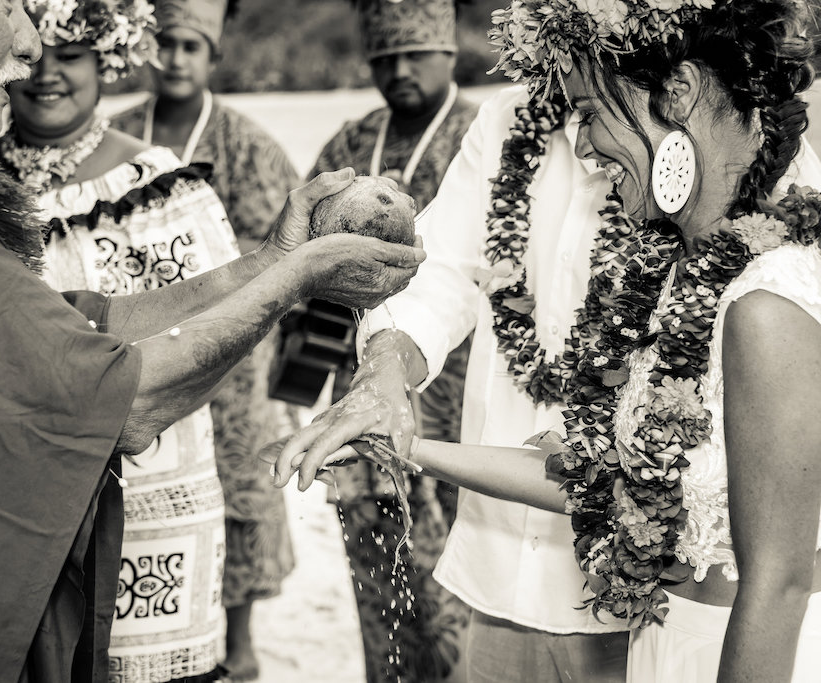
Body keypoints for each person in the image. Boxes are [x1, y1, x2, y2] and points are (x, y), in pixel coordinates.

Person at [0, 0, 425, 679]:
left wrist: (274, 260)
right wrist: (302, 273)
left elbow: (71, 328)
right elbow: (113, 400)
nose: (32, 43)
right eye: (8, 5)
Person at [273, 0, 821, 681]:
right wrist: (387, 410)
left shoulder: (757, 248)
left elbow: (779, 568)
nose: (588, 144)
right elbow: (443, 275)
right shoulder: (514, 125)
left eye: (593, 112)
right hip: (504, 577)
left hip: (658, 615)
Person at [0, 0, 242, 678]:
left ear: (106, 58)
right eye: (31, 53)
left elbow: (227, 325)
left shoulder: (162, 185)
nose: (46, 74)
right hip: (15, 490)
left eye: (68, 55)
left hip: (154, 477)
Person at [112, 2, 301, 678]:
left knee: (239, 494)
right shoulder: (115, 136)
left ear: (213, 55)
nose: (176, 57)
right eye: (165, 42)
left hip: (235, 363)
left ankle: (239, 650)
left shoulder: (247, 141)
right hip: (138, 347)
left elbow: (285, 256)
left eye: (192, 45)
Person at [300, 1, 477, 680]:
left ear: (449, 50)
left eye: (414, 55)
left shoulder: (481, 136)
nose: (399, 71)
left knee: (456, 595)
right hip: (362, 386)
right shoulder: (350, 145)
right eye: (384, 59)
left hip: (458, 391)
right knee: (381, 593)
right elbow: (300, 263)